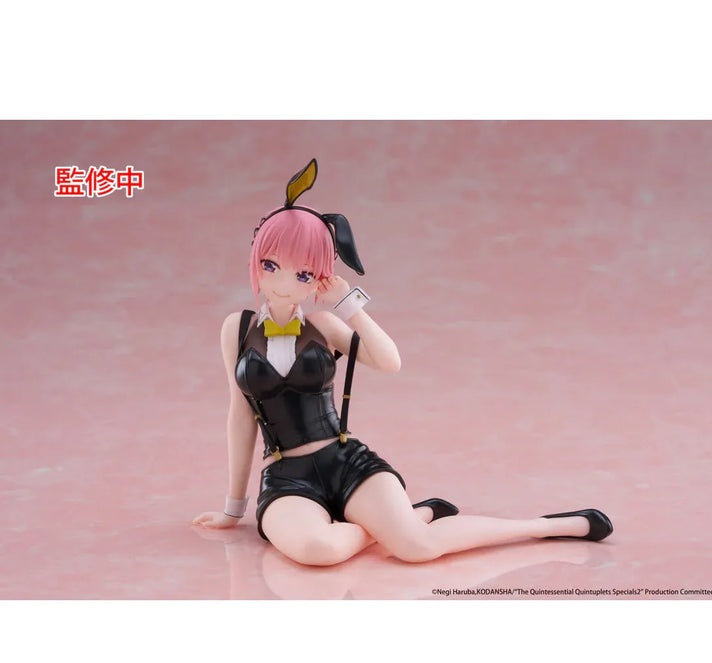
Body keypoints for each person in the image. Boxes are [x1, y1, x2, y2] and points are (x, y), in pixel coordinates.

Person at [192, 159, 613, 566]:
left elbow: (389, 361)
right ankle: (399, 520)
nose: (284, 284)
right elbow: (240, 416)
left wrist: (348, 303)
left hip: (346, 461)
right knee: (317, 551)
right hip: (286, 478)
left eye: (302, 275)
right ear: (256, 260)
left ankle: (545, 526)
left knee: (416, 547)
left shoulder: (324, 326)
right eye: (271, 266)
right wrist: (233, 508)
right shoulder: (238, 328)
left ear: (319, 277)